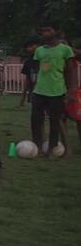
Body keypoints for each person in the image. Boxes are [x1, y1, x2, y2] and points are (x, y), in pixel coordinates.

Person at [31, 22, 77, 157]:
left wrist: (71, 91)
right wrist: (33, 88)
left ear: (56, 32)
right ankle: (37, 146)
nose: (45, 33)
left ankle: (52, 148)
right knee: (35, 119)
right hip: (39, 91)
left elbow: (70, 71)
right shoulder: (39, 50)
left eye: (48, 30)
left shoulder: (65, 50)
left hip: (57, 91)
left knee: (55, 120)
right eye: (43, 30)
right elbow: (37, 70)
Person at [18, 35, 41, 107]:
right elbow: (27, 80)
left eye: (31, 46)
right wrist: (23, 97)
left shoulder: (45, 60)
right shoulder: (28, 62)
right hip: (34, 93)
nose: (29, 49)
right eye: (27, 47)